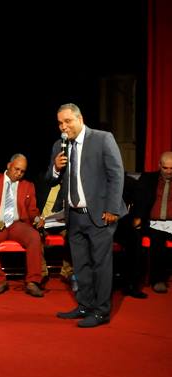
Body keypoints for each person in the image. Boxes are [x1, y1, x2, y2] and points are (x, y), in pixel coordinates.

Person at [51, 103, 126, 327]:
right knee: (80, 264)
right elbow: (52, 178)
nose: (63, 127)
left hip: (100, 215)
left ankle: (102, 311)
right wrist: (55, 167)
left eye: (67, 121)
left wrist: (112, 209)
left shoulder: (103, 139)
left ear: (80, 118)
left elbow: (116, 174)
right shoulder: (59, 145)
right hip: (74, 216)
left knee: (101, 265)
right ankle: (85, 305)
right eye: (60, 123)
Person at [0, 154, 45, 297]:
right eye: (17, 169)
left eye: (22, 171)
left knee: (34, 237)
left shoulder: (28, 186)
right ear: (8, 165)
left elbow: (32, 211)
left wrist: (37, 218)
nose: (19, 174)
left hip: (17, 224)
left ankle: (32, 282)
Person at [132, 151, 172, 293]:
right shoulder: (148, 179)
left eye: (171, 168)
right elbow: (139, 201)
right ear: (159, 165)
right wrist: (137, 217)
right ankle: (158, 279)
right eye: (165, 168)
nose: (168, 171)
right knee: (157, 238)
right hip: (154, 223)